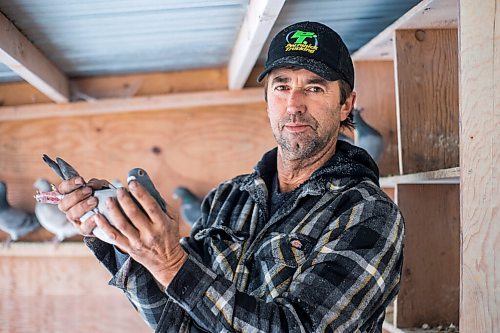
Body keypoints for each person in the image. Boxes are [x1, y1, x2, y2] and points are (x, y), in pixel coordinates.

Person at [57, 21, 404, 333]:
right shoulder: (229, 197)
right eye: (281, 86)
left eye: (314, 89)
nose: (294, 104)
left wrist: (171, 263)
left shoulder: (368, 214)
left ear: (346, 104)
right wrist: (112, 232)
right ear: (267, 98)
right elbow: (177, 318)